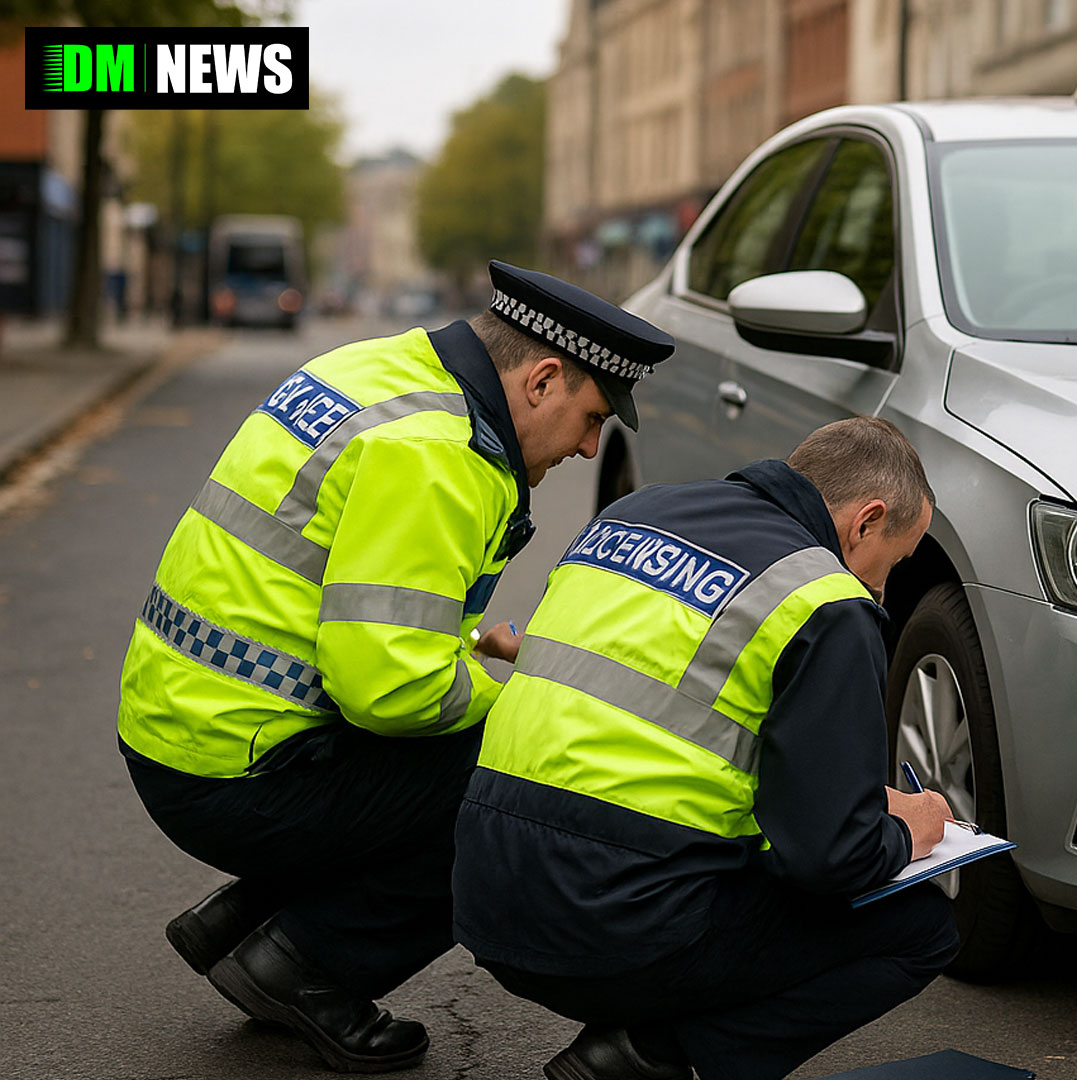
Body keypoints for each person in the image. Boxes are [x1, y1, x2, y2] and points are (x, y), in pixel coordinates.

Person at [117, 260, 673, 1072]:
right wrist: (524, 693)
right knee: (524, 776)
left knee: (458, 745)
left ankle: (244, 921)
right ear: (544, 379)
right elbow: (391, 692)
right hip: (237, 771)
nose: (592, 447)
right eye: (592, 417)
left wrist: (475, 651)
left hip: (177, 726)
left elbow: (355, 615)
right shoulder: (439, 453)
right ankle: (307, 964)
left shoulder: (369, 369)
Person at [452, 417, 960, 1080]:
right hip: (616, 928)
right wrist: (910, 828)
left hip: (485, 898)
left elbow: (671, 734)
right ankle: (654, 1054)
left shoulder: (633, 514)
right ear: (864, 523)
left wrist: (852, 798)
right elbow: (832, 859)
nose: (883, 587)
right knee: (922, 928)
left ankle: (639, 1045)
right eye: (891, 563)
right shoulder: (826, 600)